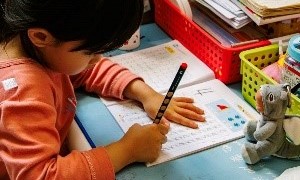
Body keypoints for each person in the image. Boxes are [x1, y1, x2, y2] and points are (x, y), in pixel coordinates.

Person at [0, 0, 205, 179]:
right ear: (41, 37)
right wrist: (127, 150)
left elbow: (83, 70)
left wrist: (145, 94)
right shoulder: (22, 91)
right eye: (91, 52)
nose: (98, 59)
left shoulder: (35, 42)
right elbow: (44, 175)